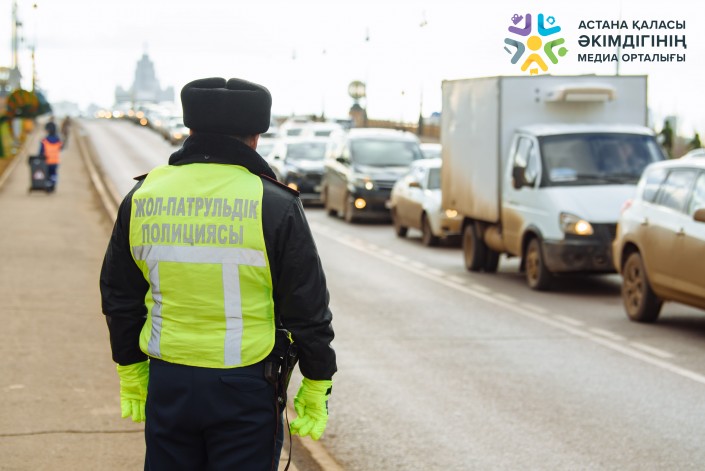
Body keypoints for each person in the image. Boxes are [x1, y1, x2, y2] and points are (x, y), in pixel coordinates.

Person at [99, 77, 337, 470]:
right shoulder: (274, 204)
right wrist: (317, 379)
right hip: (245, 387)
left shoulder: (143, 197)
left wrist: (130, 367)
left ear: (190, 131)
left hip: (169, 382)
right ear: (255, 138)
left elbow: (119, 295)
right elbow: (306, 307)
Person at [39, 121, 62, 192]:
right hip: (55, 161)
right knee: (53, 174)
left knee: (47, 174)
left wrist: (39, 157)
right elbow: (60, 148)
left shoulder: (44, 140)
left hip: (46, 161)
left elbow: (41, 151)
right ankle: (53, 185)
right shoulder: (58, 140)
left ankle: (48, 186)